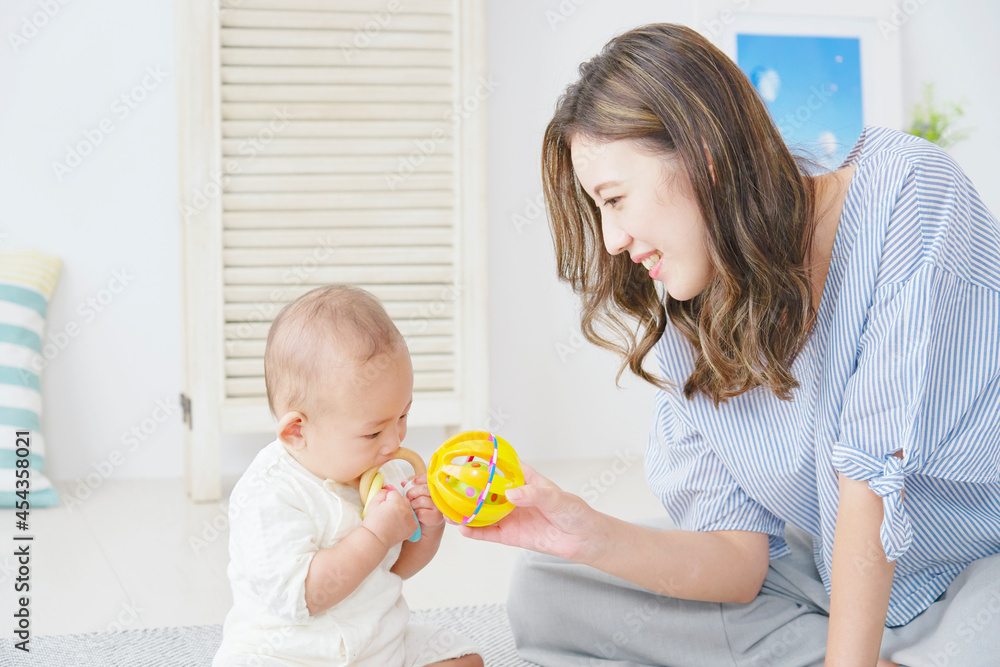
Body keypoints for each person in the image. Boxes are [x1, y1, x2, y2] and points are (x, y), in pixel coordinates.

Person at [460, 23, 1000, 667]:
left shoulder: (908, 194)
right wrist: (587, 533)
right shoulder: (690, 308)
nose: (609, 240)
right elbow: (739, 563)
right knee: (549, 587)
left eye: (615, 199)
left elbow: (870, 481)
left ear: (703, 156)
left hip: (970, 573)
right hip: (829, 578)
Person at [213, 286, 483, 667]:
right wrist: (376, 534)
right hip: (290, 654)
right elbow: (305, 597)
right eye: (373, 432)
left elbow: (394, 569)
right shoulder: (268, 494)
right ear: (297, 432)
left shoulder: (383, 469)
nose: (394, 442)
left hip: (376, 645)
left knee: (466, 659)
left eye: (403, 416)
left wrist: (428, 528)